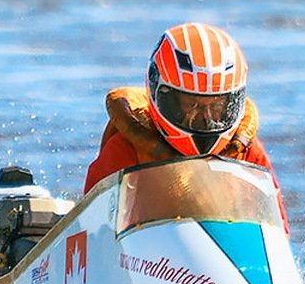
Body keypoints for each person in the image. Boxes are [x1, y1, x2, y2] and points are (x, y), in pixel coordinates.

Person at [82, 22, 276, 195]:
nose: (206, 119)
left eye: (217, 106)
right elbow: (94, 228)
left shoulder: (247, 152)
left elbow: (274, 229)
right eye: (192, 105)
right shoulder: (126, 149)